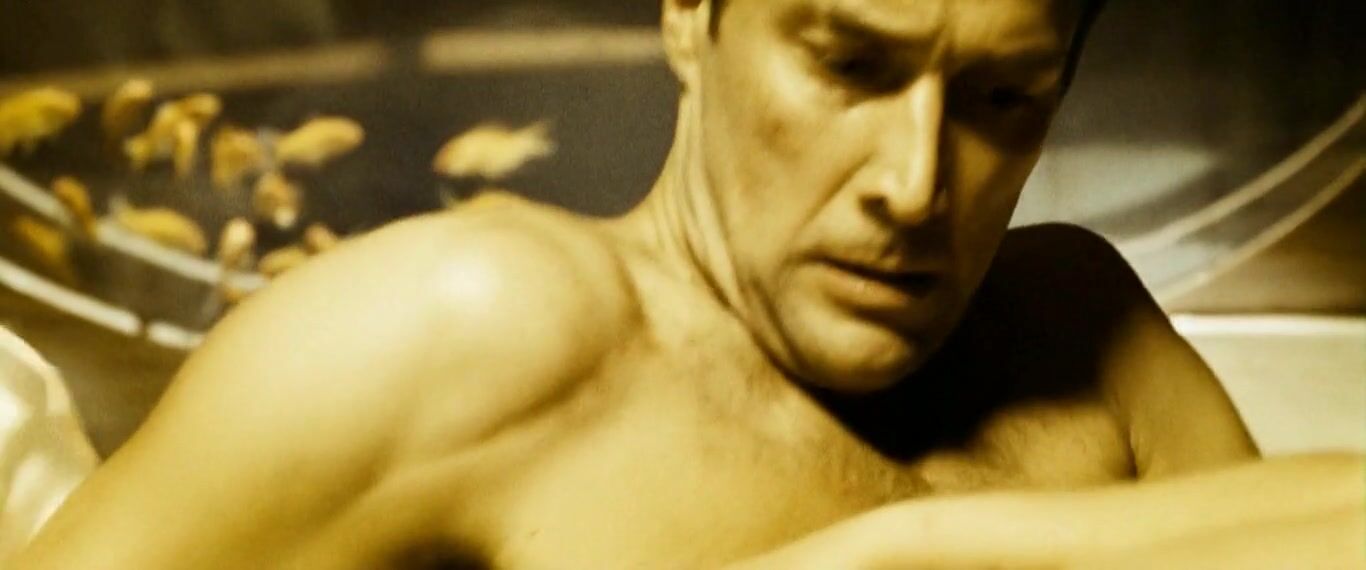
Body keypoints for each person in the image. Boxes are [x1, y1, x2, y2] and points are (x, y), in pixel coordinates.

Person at [13, 0, 1364, 568]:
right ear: (687, 15)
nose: (913, 180)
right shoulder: (472, 325)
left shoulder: (1081, 324)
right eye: (847, 66)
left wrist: (924, 551)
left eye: (1003, 98)